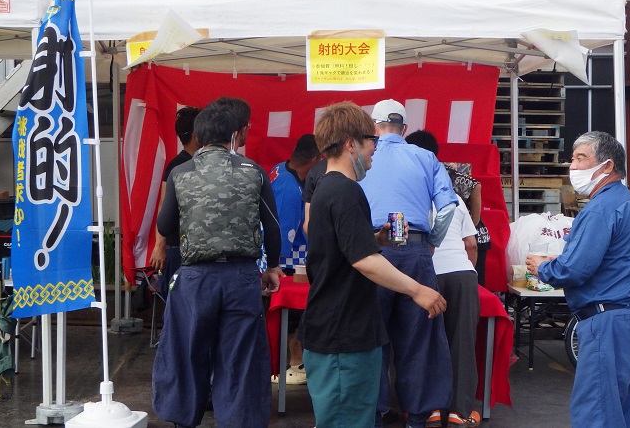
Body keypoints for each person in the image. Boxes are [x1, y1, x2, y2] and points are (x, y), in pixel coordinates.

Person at [300, 101, 447, 428]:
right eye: (371, 141)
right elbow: (364, 262)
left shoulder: (330, 188)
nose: (375, 150)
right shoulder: (345, 191)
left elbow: (350, 249)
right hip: (343, 336)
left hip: (341, 332)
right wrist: (418, 289)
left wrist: (376, 239)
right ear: (351, 143)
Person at [152, 98, 285, 428]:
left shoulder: (181, 173)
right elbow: (272, 225)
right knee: (239, 360)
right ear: (236, 135)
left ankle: (185, 420)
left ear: (199, 134)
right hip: (241, 278)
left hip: (196, 279)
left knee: (188, 352)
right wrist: (272, 268)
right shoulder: (253, 171)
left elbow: (166, 226)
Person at [525, 131, 630, 428]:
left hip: (608, 322)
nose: (574, 166)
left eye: (582, 158)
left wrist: (543, 268)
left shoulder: (600, 207)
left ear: (607, 166)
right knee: (620, 414)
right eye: (572, 158)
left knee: (596, 416)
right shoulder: (626, 201)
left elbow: (574, 269)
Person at [359, 99, 457, 428]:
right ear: (404, 129)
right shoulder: (426, 157)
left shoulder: (361, 158)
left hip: (373, 252)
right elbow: (446, 209)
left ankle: (372, 414)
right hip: (415, 250)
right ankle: (417, 417)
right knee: (419, 339)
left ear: (373, 127)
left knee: (372, 337)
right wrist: (432, 243)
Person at [406, 133, 481, 427]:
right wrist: (469, 273)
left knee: (422, 343)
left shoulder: (410, 197)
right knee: (462, 341)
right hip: (461, 275)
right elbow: (471, 244)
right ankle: (460, 411)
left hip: (424, 276)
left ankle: (428, 408)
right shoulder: (453, 197)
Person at [404, 130, 491, 286]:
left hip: (463, 233)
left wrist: (474, 221)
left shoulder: (440, 171)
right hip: (455, 239)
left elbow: (475, 185)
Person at [269, 133, 321, 385]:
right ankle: (293, 363)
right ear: (313, 160)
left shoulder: (279, 168)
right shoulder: (290, 190)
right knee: (293, 312)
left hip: (284, 256)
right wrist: (275, 264)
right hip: (287, 259)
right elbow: (283, 234)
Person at [149, 106, 202, 300]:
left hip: (190, 248)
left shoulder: (197, 163)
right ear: (196, 134)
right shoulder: (178, 165)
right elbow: (164, 206)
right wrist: (159, 246)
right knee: (177, 306)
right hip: (176, 248)